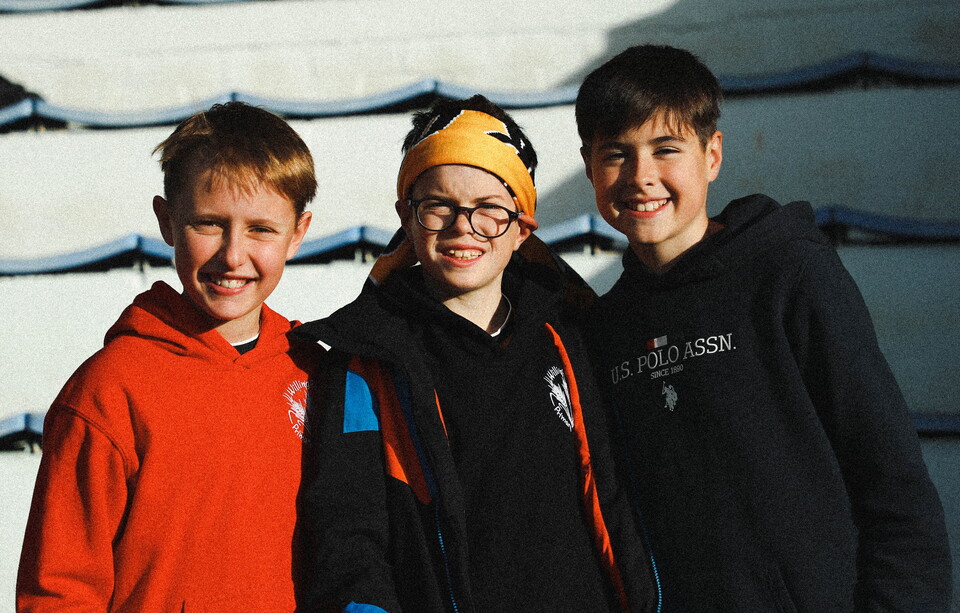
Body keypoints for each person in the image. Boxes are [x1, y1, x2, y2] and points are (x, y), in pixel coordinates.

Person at [576, 44, 953, 611]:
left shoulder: (788, 272)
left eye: (666, 149)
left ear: (712, 155)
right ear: (589, 166)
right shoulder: (605, 328)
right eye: (616, 154)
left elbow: (892, 481)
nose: (641, 177)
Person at [295, 94, 655, 612]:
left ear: (521, 228)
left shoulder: (575, 337)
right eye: (438, 206)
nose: (463, 226)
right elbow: (350, 538)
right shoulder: (365, 362)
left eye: (489, 209)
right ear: (407, 217)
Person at [16, 101, 320, 612]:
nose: (233, 255)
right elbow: (59, 590)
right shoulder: (109, 389)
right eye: (209, 224)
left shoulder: (315, 371)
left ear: (298, 233)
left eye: (261, 229)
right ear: (167, 221)